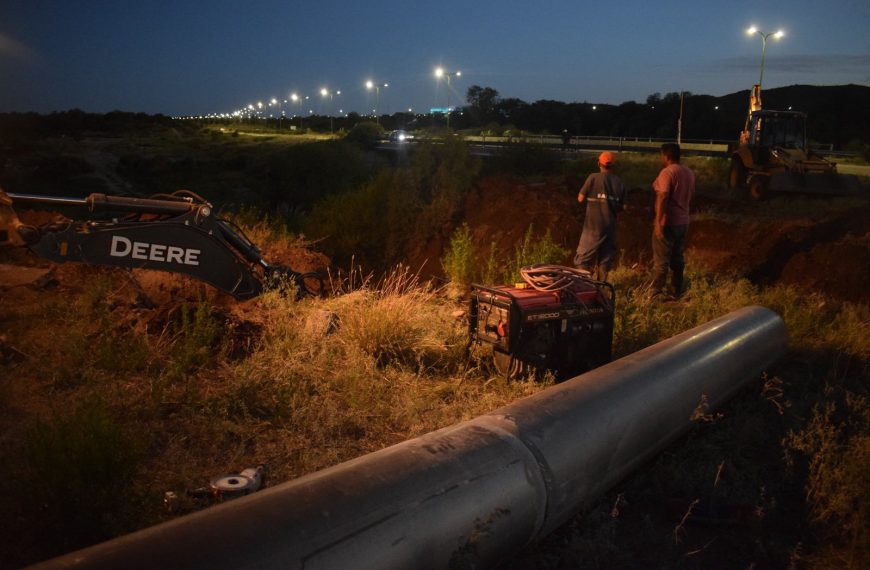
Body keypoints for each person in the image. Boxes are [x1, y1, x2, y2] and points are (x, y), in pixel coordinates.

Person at [650, 143, 695, 298]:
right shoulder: (689, 173)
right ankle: (676, 290)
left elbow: (663, 195)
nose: (661, 158)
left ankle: (655, 293)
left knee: (661, 261)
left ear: (667, 156)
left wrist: (658, 222)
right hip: (683, 222)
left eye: (661, 156)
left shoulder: (667, 172)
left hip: (668, 222)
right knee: (677, 258)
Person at [573, 151, 626, 282]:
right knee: (605, 260)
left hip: (592, 227)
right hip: (610, 228)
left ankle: (584, 286)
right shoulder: (619, 182)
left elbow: (580, 198)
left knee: (582, 259)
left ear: (599, 164)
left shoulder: (593, 177)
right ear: (614, 165)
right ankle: (601, 288)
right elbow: (625, 207)